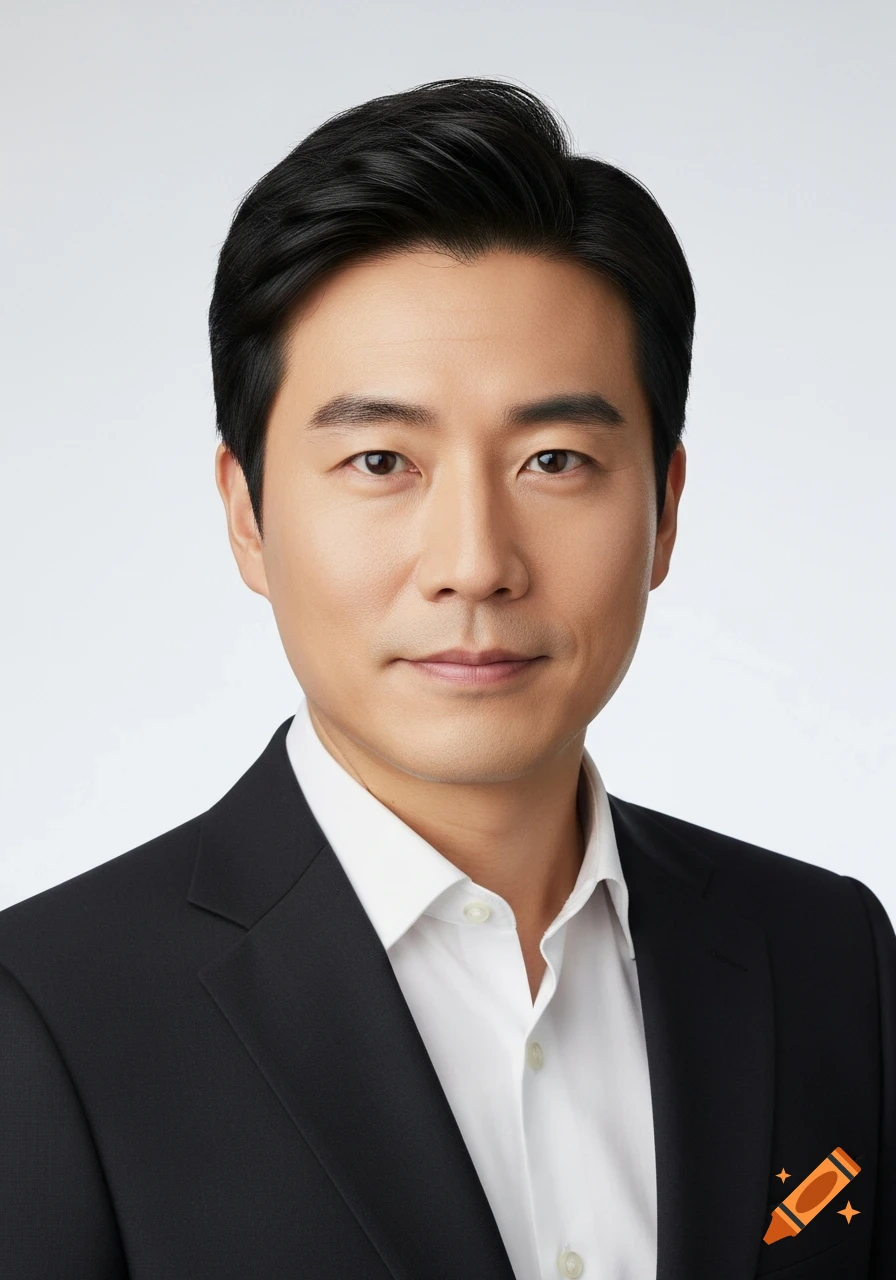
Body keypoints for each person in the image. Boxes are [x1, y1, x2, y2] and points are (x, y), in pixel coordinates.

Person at [1, 77, 892, 1280]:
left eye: (554, 459)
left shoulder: (827, 953)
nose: (474, 561)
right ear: (246, 513)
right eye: (381, 460)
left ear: (665, 509)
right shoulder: (44, 1016)